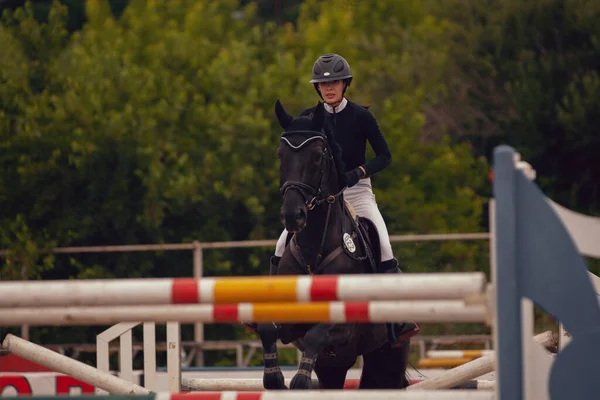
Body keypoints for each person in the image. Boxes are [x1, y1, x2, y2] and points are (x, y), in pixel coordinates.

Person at [270, 53, 419, 346]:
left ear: (345, 85)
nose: (329, 89)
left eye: (335, 83)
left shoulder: (361, 117)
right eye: (323, 85)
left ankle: (397, 316)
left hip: (357, 190)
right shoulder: (310, 117)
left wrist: (358, 172)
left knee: (384, 244)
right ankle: (273, 311)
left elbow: (385, 156)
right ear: (317, 89)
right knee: (281, 243)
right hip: (321, 196)